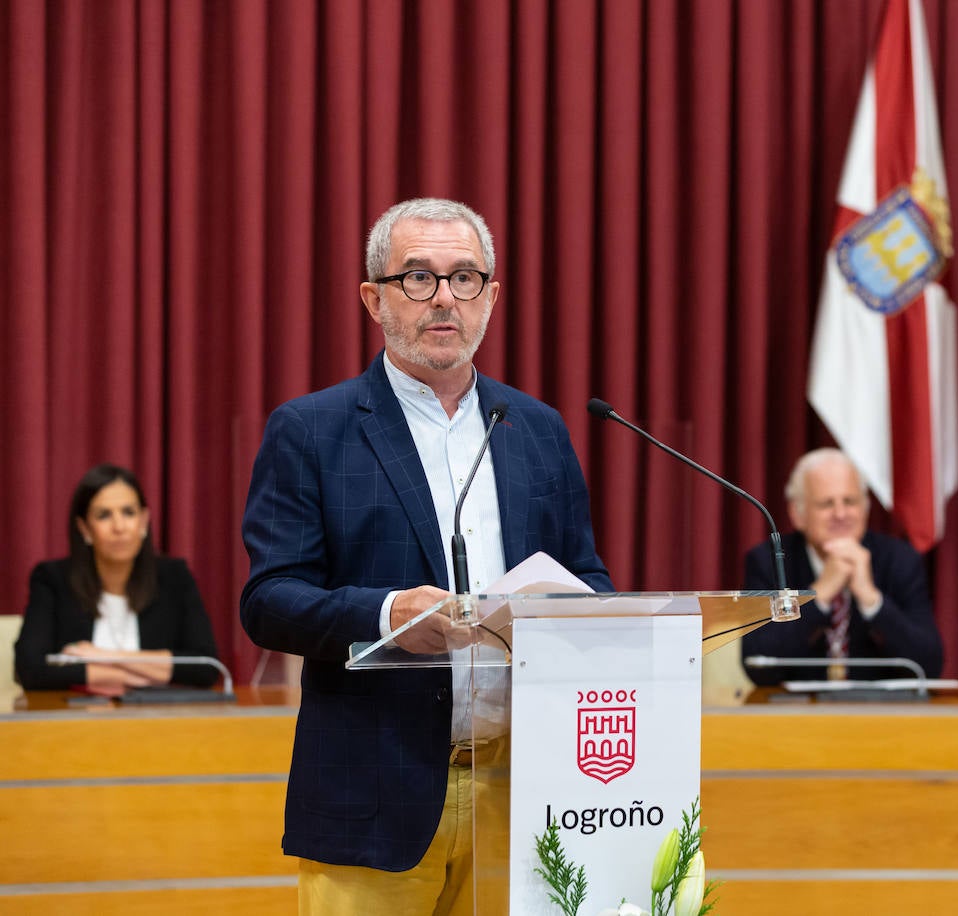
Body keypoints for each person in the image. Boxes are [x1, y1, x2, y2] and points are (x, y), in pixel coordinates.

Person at [240, 197, 612, 914]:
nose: (445, 297)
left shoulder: (535, 429)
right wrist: (388, 612)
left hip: (524, 788)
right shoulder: (312, 431)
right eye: (418, 277)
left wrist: (576, 612)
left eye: (465, 277)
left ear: (492, 298)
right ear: (373, 298)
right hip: (374, 789)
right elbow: (270, 599)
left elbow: (586, 574)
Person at [740, 448, 943, 685]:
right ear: (798, 514)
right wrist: (820, 596)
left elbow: (929, 667)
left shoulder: (900, 559)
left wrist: (871, 601)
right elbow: (757, 665)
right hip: (794, 714)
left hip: (880, 713)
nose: (840, 514)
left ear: (866, 508)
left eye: (850, 501)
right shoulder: (768, 561)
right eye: (826, 504)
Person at [14, 464, 220, 693]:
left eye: (128, 513)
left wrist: (104, 656)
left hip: (158, 721)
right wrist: (139, 676)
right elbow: (30, 669)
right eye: (104, 515)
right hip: (76, 722)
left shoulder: (174, 577)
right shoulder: (52, 579)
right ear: (84, 528)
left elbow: (205, 667)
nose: (119, 527)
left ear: (143, 521)